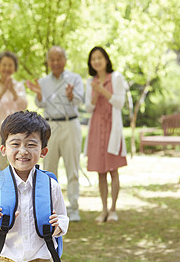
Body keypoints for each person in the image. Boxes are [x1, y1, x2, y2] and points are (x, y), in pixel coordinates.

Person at [0, 111, 69, 262]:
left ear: (43, 151)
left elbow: (63, 217)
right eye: (15, 144)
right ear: (4, 149)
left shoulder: (50, 185)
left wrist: (57, 226)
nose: (23, 151)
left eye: (31, 144)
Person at [26, 46, 83, 222]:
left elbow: (81, 101)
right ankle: (50, 209)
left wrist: (71, 95)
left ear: (65, 60)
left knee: (72, 168)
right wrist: (39, 94)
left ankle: (73, 208)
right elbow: (40, 104)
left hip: (70, 124)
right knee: (49, 169)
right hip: (50, 126)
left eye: (59, 58)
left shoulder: (74, 78)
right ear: (48, 61)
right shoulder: (43, 81)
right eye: (52, 59)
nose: (56, 62)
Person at [85, 46, 128, 223]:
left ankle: (113, 209)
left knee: (113, 169)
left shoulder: (116, 78)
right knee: (100, 171)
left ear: (106, 59)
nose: (96, 61)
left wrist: (103, 91)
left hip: (112, 127)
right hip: (96, 127)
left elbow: (119, 103)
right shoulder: (90, 81)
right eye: (93, 59)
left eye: (99, 58)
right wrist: (95, 93)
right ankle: (103, 209)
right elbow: (89, 107)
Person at [0, 51, 28, 172]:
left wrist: (12, 90)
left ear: (14, 68)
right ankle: (2, 191)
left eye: (10, 65)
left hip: (18, 132)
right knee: (0, 167)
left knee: (18, 166)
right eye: (4, 65)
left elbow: (23, 106)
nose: (7, 68)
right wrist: (3, 90)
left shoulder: (19, 86)